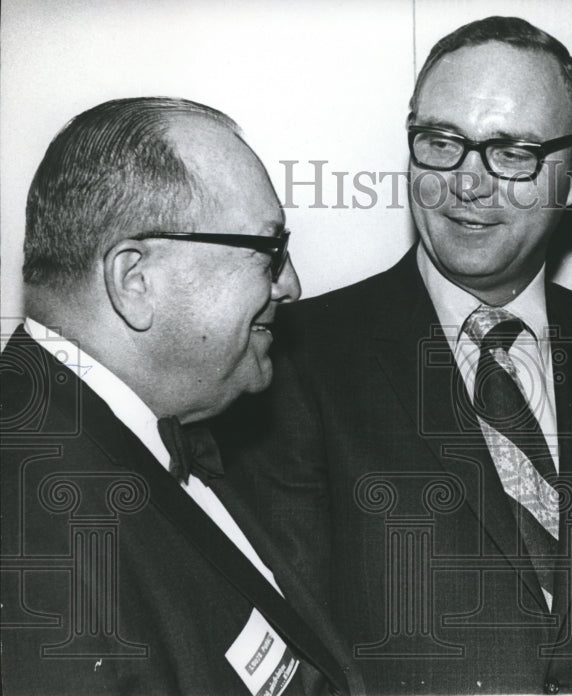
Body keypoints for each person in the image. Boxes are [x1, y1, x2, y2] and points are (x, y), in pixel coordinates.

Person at [219, 16, 572, 694]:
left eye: (512, 152)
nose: (468, 182)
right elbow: (293, 646)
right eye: (441, 142)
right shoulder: (296, 360)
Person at [0, 98, 362, 695]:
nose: (291, 284)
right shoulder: (33, 542)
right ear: (134, 280)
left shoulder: (137, 433)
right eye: (268, 252)